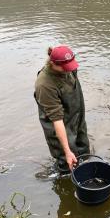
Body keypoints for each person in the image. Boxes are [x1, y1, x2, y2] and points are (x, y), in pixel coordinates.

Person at [34, 45, 90, 173]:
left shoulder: (68, 67)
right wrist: (67, 151)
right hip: (58, 121)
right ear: (53, 63)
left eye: (70, 66)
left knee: (84, 149)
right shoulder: (44, 85)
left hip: (76, 113)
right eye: (65, 68)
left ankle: (83, 167)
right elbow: (57, 120)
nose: (69, 70)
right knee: (67, 161)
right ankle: (63, 175)